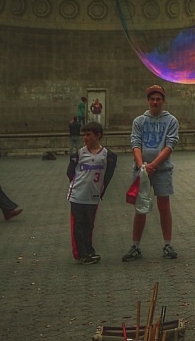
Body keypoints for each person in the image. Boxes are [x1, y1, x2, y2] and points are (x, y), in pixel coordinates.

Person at [122, 85, 179, 262]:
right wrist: (142, 166)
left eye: (158, 99)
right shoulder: (139, 121)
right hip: (142, 169)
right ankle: (135, 245)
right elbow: (135, 144)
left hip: (162, 170)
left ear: (163, 101)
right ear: (148, 101)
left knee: (164, 206)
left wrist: (153, 165)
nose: (155, 102)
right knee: (140, 208)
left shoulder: (171, 121)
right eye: (152, 99)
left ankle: (167, 244)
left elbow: (170, 145)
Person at [66, 121, 117, 264]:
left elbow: (108, 174)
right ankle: (81, 254)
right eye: (84, 135)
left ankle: (88, 250)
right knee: (78, 225)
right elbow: (70, 172)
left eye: (88, 135)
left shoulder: (107, 155)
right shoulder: (79, 154)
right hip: (77, 195)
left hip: (93, 197)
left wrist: (100, 190)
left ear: (98, 136)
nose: (85, 138)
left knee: (89, 225)